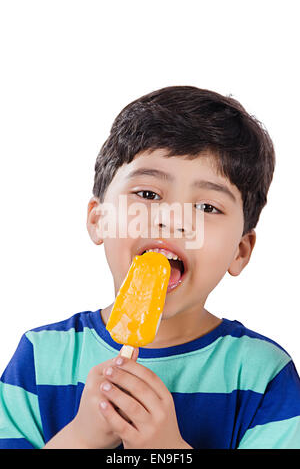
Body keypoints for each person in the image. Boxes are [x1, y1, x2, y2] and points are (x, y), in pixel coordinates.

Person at [1, 86, 300, 450]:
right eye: (147, 195)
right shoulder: (40, 357)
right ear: (99, 219)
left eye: (207, 207)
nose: (172, 221)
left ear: (240, 250)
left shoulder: (262, 376)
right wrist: (82, 437)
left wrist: (166, 451)